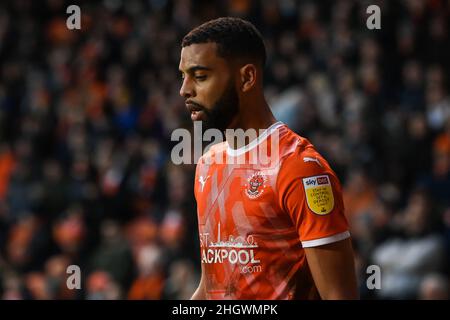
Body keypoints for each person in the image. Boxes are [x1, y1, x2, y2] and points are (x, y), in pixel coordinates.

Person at [178, 17, 358, 300]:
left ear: (247, 77)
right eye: (184, 76)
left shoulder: (300, 170)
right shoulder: (208, 164)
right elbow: (210, 287)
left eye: (200, 76)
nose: (185, 90)